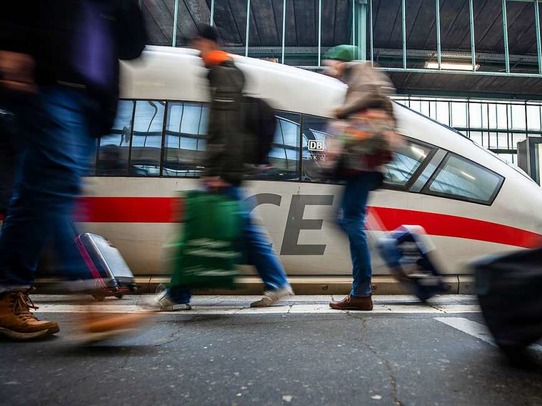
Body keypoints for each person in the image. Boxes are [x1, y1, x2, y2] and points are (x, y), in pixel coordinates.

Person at [0, 1, 150, 341]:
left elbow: (133, 47)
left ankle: (7, 298)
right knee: (60, 183)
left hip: (90, 100)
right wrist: (10, 42)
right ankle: (91, 301)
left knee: (34, 195)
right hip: (46, 80)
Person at [153, 24, 294, 310]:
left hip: (223, 170)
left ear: (206, 43)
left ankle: (178, 293)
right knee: (243, 229)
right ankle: (277, 283)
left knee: (196, 229)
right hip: (225, 168)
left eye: (197, 46)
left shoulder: (223, 74)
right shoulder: (223, 73)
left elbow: (226, 129)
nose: (195, 53)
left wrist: (220, 173)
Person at [323, 45, 397, 311]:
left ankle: (363, 290)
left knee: (349, 220)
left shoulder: (361, 75)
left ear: (342, 61)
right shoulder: (358, 79)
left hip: (362, 163)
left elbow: (365, 103)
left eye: (331, 63)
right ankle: (362, 288)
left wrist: (340, 113)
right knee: (346, 219)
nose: (329, 68)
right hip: (363, 164)